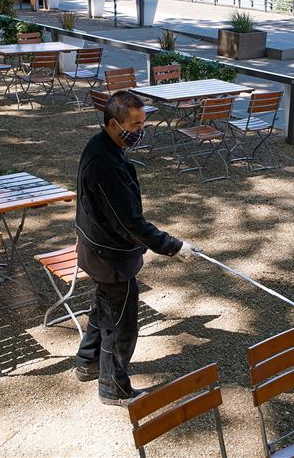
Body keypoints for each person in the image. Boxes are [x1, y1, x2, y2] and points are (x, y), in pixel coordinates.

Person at [74, 89, 196, 406]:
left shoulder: (102, 145)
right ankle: (113, 388)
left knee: (104, 308)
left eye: (143, 123)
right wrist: (173, 246)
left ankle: (87, 363)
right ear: (114, 124)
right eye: (135, 125)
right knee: (121, 325)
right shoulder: (106, 164)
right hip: (110, 258)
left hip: (96, 250)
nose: (141, 131)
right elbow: (128, 223)